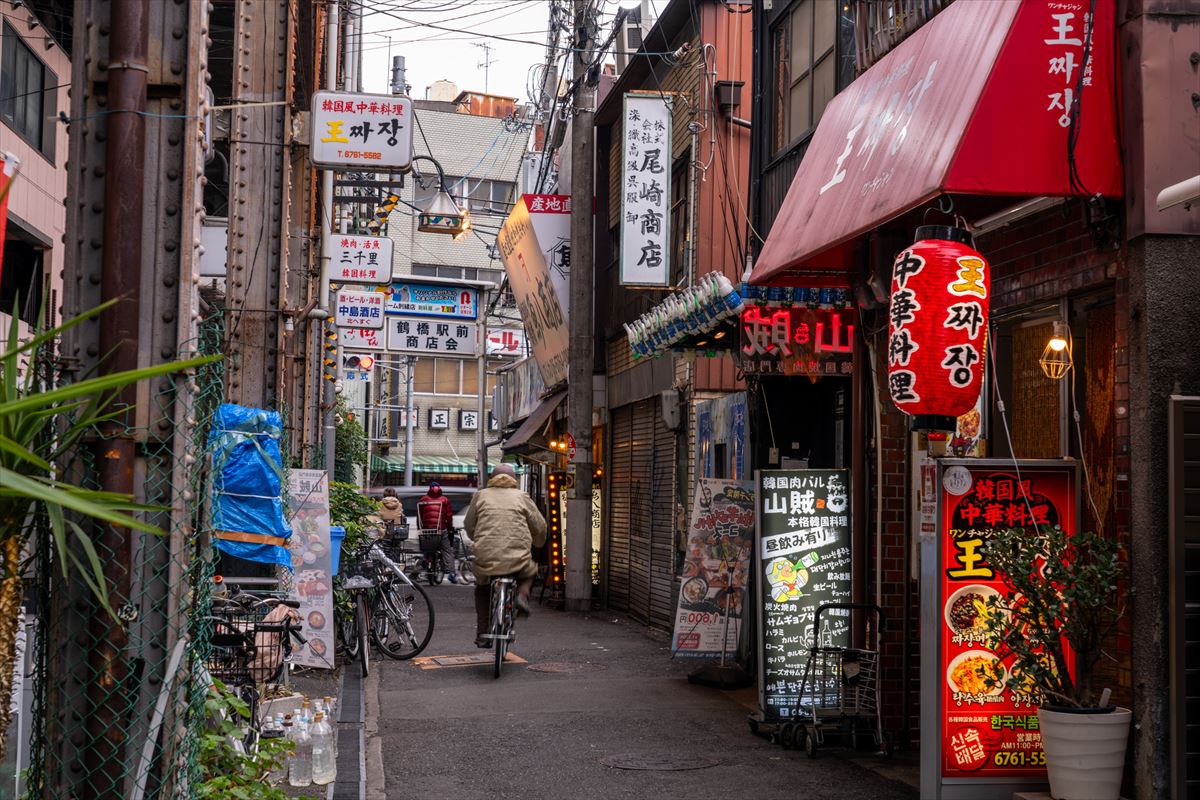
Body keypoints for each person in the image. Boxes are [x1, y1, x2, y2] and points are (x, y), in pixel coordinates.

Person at [464, 464, 546, 648]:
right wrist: (539, 542)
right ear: (513, 479)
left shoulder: (481, 495)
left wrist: (476, 536)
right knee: (530, 570)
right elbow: (539, 527)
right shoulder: (521, 497)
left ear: (491, 478)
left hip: (486, 558)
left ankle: (483, 633)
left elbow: (469, 525)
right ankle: (522, 596)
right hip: (517, 559)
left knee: (483, 590)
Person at [418, 481, 458, 583]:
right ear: (439, 489)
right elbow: (449, 516)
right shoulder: (444, 500)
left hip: (426, 529)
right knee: (447, 550)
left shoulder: (423, 499)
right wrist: (450, 528)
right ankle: (450, 572)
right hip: (440, 529)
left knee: (425, 548)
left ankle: (423, 565)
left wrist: (420, 527)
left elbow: (420, 516)